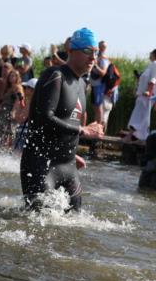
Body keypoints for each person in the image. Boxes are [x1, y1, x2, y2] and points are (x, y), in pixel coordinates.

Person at [20, 27, 103, 212]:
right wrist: (83, 131)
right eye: (88, 51)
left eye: (96, 52)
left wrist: (72, 152)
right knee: (37, 224)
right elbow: (44, 117)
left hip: (68, 165)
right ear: (71, 51)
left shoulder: (82, 83)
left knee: (76, 223)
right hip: (41, 164)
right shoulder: (55, 75)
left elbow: (69, 121)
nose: (93, 57)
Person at [123, 49, 156, 141]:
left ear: (154, 54)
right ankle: (139, 137)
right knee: (141, 116)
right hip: (142, 95)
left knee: (140, 116)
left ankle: (132, 136)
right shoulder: (150, 65)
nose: (149, 54)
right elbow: (146, 78)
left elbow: (154, 79)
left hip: (147, 96)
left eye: (151, 53)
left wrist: (149, 91)